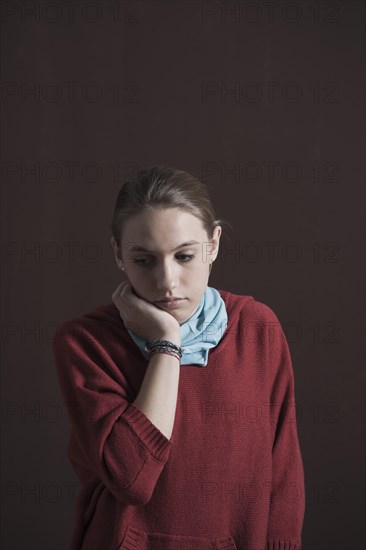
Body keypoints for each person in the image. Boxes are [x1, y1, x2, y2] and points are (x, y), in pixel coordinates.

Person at [53, 165, 305, 550]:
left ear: (214, 244)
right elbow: (132, 478)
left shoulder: (257, 328)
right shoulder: (86, 342)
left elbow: (283, 470)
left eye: (185, 256)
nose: (167, 282)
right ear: (118, 254)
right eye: (144, 260)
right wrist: (167, 345)